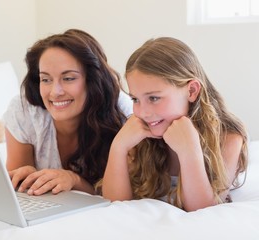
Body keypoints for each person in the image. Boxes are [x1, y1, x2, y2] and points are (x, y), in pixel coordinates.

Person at [101, 37, 248, 211]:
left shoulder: (228, 138)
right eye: (135, 99)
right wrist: (119, 147)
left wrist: (189, 152)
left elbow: (203, 213)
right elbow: (114, 207)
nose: (142, 112)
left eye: (154, 98)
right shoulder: (141, 133)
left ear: (192, 91)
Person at [4, 29, 133, 196]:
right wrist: (27, 175)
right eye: (46, 79)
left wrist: (74, 180)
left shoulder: (123, 113)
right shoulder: (24, 110)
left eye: (68, 78)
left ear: (92, 80)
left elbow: (122, 197)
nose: (55, 92)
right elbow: (17, 194)